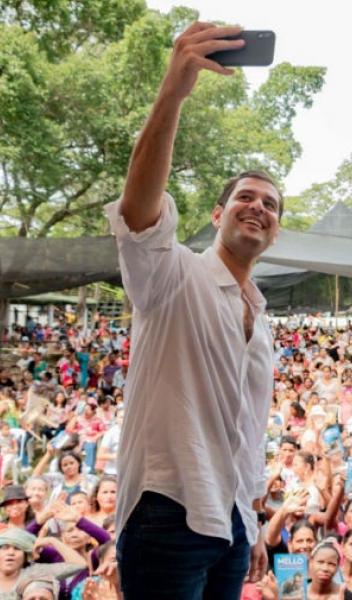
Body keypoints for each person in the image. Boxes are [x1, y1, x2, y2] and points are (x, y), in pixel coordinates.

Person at [105, 20, 282, 600]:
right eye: (244, 198)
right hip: (166, 509)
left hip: (231, 520)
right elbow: (138, 210)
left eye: (270, 205)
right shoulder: (171, 272)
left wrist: (251, 521)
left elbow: (250, 428)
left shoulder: (264, 318)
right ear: (217, 214)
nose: (257, 208)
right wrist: (172, 94)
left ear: (275, 231)